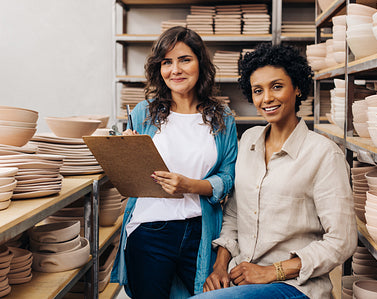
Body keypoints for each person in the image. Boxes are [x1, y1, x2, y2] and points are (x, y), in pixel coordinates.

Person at [192, 43, 357, 299]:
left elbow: (342, 240)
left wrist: (273, 271)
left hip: (295, 286)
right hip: (241, 276)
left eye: (277, 86)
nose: (267, 98)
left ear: (298, 88)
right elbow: (234, 213)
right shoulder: (248, 141)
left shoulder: (324, 154)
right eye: (258, 90)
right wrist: (220, 266)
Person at [110, 26, 238, 298]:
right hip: (150, 230)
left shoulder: (222, 117)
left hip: (201, 232)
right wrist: (127, 150)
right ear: (159, 69)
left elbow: (229, 177)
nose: (175, 69)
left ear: (200, 64)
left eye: (184, 59)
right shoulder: (144, 112)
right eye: (167, 62)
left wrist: (191, 185)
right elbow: (130, 178)